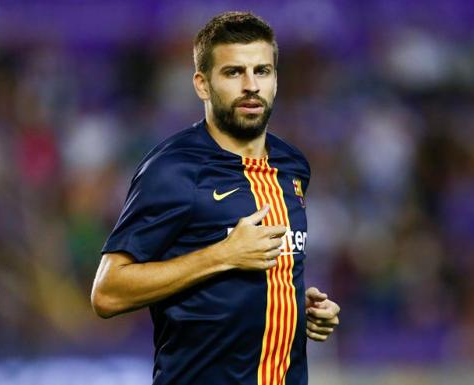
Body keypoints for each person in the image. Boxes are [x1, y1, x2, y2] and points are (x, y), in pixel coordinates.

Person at [90, 11, 340, 385]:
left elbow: (243, 285)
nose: (251, 85)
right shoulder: (175, 169)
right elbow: (107, 293)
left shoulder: (292, 167)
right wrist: (222, 255)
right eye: (233, 72)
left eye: (262, 71)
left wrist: (291, 307)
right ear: (202, 84)